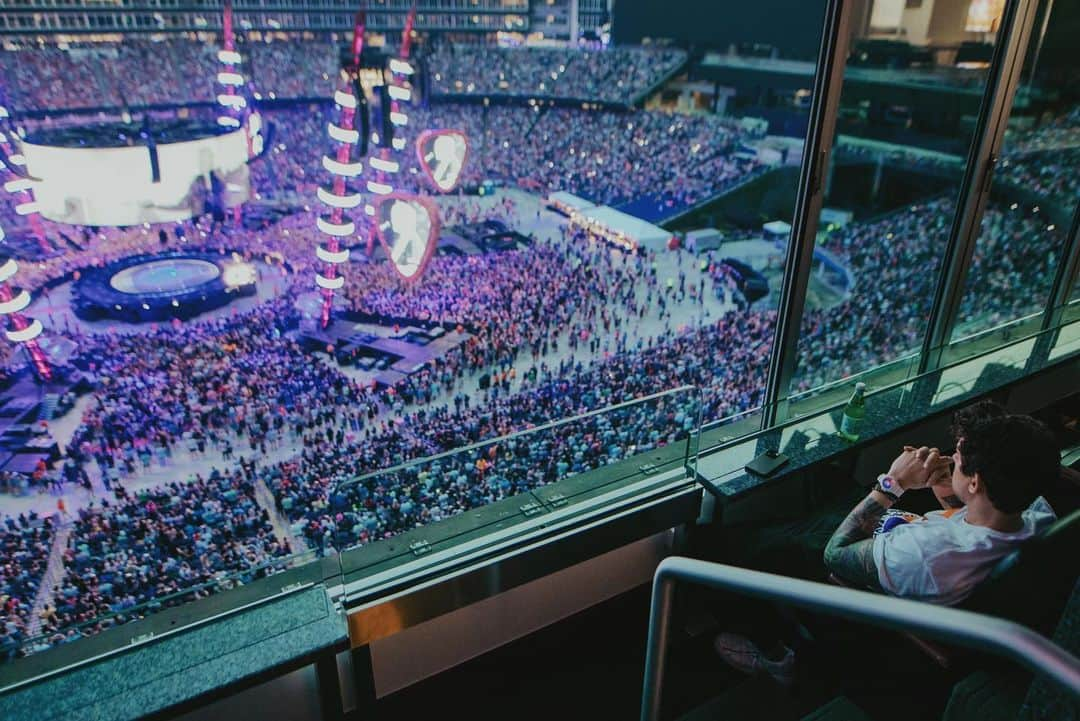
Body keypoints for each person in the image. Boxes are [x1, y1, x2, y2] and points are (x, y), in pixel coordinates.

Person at [713, 408, 1059, 684]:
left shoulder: (925, 556)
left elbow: (835, 555)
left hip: (864, 575)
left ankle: (779, 656)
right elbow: (971, 524)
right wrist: (947, 488)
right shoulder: (1037, 513)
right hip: (899, 545)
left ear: (976, 482)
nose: (952, 459)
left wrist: (892, 485)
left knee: (746, 544)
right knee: (827, 476)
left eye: (958, 457)